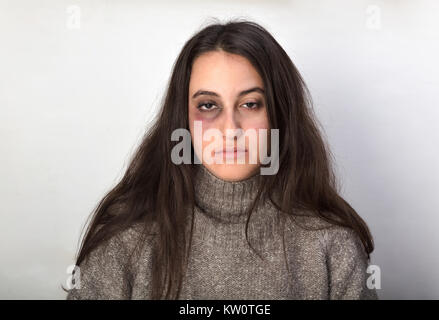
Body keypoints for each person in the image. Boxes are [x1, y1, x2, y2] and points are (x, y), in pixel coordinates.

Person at [65, 19, 378, 300]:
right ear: (182, 118)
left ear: (280, 114)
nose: (230, 130)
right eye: (207, 105)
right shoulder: (127, 237)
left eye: (250, 104)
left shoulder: (332, 247)